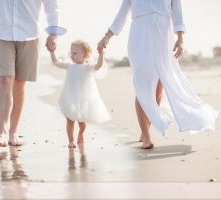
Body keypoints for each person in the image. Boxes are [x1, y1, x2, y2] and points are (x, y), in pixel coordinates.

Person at [98, 0, 219, 149]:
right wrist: (106, 37)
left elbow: (177, 14)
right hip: (140, 38)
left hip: (163, 38)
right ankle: (147, 137)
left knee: (158, 89)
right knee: (143, 86)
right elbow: (121, 16)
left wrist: (180, 39)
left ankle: (146, 128)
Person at [0, 0, 66, 147]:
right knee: (5, 79)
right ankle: (2, 133)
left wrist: (53, 34)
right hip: (1, 32)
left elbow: (51, 5)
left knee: (19, 84)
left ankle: (13, 132)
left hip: (30, 34)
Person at [49, 40, 111, 148]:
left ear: (85, 54)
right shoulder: (69, 65)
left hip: (83, 98)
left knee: (82, 123)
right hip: (69, 97)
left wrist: (101, 54)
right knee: (70, 121)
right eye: (71, 53)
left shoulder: (88, 67)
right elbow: (56, 62)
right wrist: (52, 52)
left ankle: (81, 133)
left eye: (75, 53)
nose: (72, 55)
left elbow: (98, 66)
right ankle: (71, 141)